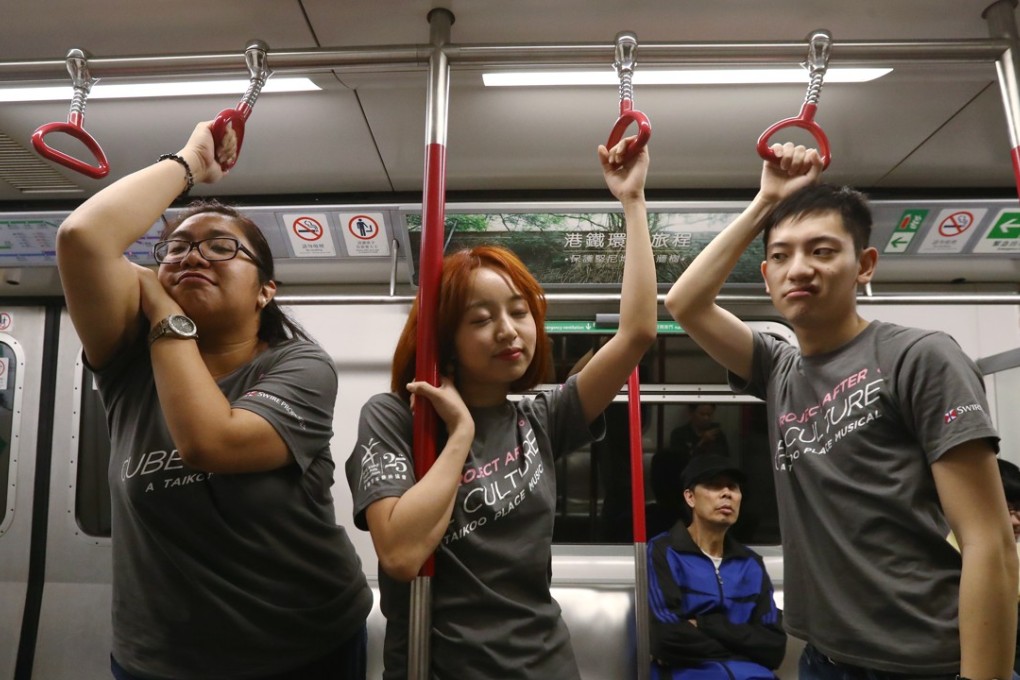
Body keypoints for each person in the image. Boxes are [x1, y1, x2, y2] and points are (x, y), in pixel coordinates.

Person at [664, 142, 1018, 679]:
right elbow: (685, 303)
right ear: (765, 275)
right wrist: (766, 200)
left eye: (823, 251)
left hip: (924, 658)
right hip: (825, 658)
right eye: (781, 256)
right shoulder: (779, 368)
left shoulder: (919, 357)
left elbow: (988, 541)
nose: (798, 268)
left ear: (864, 266)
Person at [56, 121, 372, 680]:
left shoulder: (298, 366)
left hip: (301, 647)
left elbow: (210, 442)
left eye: (221, 247)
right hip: (160, 659)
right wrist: (190, 164)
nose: (193, 256)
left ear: (265, 290)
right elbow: (83, 238)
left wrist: (163, 307)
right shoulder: (128, 363)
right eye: (174, 249)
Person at [345, 136, 656, 679]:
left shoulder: (542, 419)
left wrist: (632, 202)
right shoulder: (397, 417)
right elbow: (399, 554)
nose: (509, 331)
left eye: (519, 311)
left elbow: (637, 333)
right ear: (443, 338)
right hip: (437, 666)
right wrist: (460, 432)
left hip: (543, 664)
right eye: (481, 318)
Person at [647, 454, 786, 679]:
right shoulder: (664, 552)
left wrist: (705, 624)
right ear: (690, 497)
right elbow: (666, 637)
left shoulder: (751, 564)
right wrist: (745, 646)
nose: (726, 494)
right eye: (713, 485)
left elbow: (774, 646)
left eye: (733, 487)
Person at [652, 403, 731, 530]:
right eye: (702, 414)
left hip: (710, 482)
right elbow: (678, 463)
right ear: (691, 414)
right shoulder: (679, 434)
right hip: (683, 485)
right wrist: (701, 444)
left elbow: (723, 461)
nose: (706, 418)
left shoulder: (718, 436)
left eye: (709, 415)